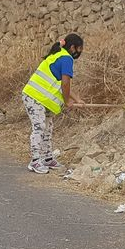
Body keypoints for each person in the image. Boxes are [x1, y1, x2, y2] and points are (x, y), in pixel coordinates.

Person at [21, 34, 85, 174]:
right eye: (79, 49)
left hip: (44, 99)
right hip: (34, 96)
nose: (79, 52)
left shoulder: (58, 54)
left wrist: (76, 99)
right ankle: (35, 161)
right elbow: (65, 82)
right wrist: (68, 101)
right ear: (72, 47)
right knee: (39, 127)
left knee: (48, 127)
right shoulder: (66, 58)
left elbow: (60, 82)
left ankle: (47, 158)